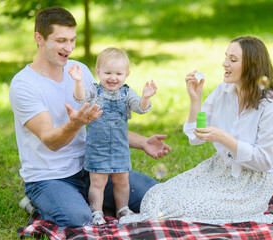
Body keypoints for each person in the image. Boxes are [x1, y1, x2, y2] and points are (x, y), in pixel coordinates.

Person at [9, 6, 171, 227]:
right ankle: (39, 201)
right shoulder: (24, 84)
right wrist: (75, 123)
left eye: (72, 40)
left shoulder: (79, 70)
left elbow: (105, 123)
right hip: (50, 177)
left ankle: (92, 200)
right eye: (61, 41)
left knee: (159, 197)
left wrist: (143, 143)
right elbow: (51, 141)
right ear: (39, 38)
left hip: (94, 166)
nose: (69, 48)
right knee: (78, 219)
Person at [120, 36, 273, 225]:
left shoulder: (272, 108)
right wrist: (195, 99)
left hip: (250, 186)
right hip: (218, 171)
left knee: (184, 208)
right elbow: (196, 138)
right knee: (155, 199)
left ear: (253, 65)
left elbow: (265, 162)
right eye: (226, 57)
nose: (224, 63)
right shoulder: (224, 91)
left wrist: (225, 139)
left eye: (233, 60)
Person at [68, 47, 157, 224]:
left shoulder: (127, 93)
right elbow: (80, 98)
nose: (113, 77)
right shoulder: (94, 91)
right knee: (98, 183)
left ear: (126, 74)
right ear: (98, 72)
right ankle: (96, 212)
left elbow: (141, 108)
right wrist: (78, 82)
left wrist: (145, 97)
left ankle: (122, 210)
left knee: (122, 181)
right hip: (97, 149)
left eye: (118, 73)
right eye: (107, 73)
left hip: (119, 148)